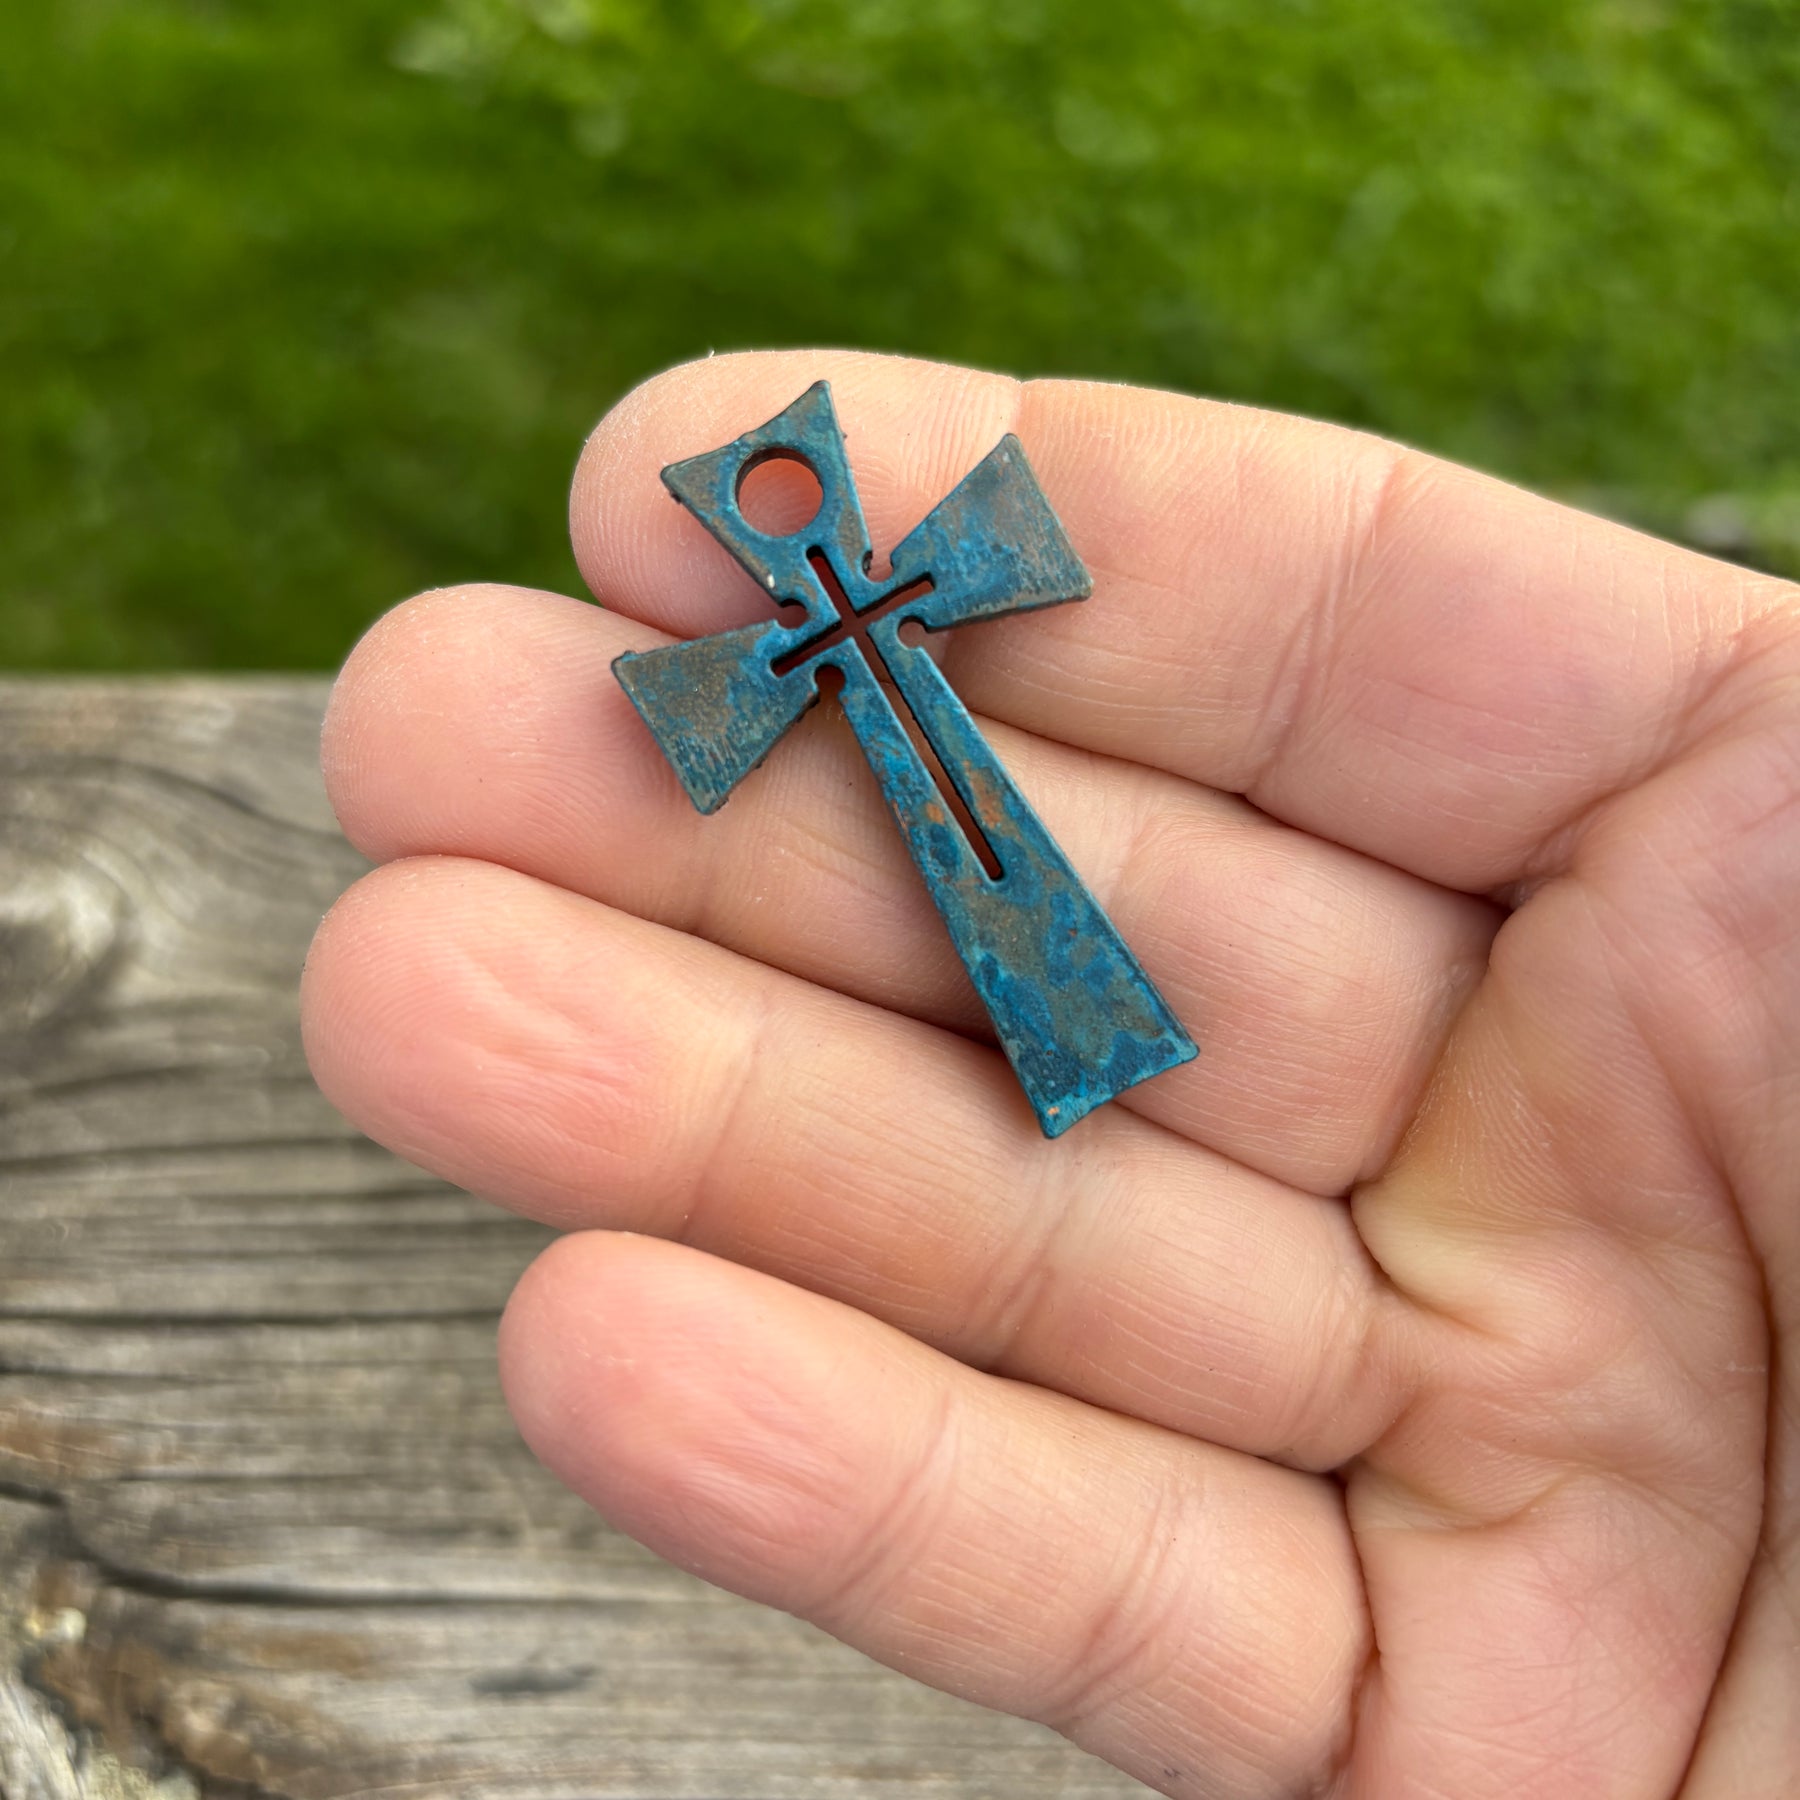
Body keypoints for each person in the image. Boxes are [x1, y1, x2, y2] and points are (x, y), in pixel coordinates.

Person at [300, 351, 1798, 1799]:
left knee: (990, 852)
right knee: (961, 857)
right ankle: (1074, 1037)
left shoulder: (884, 595)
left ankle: (1087, 1032)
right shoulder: (815, 635)